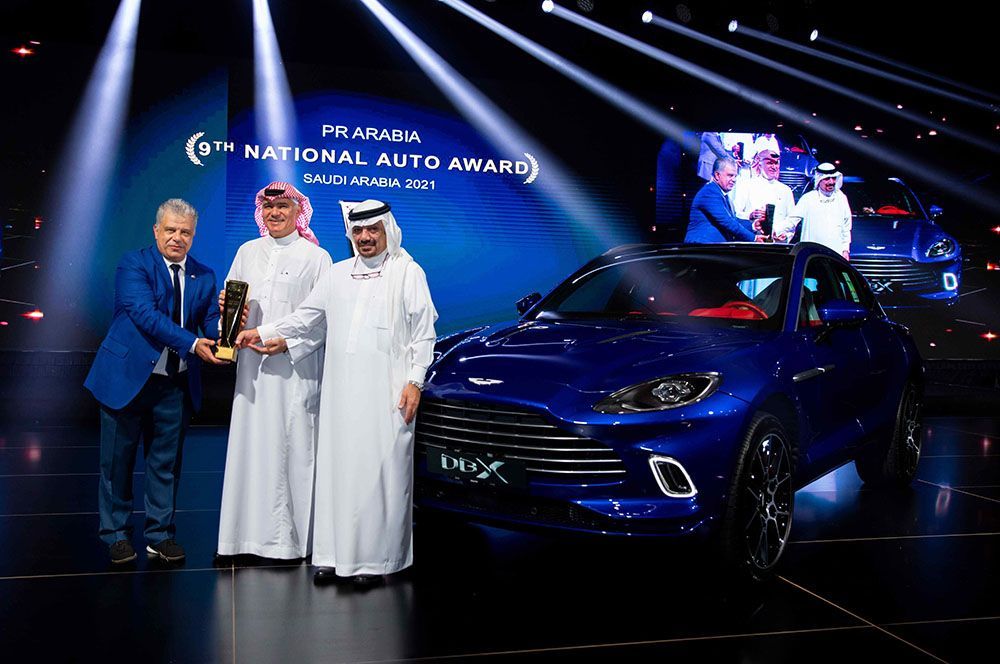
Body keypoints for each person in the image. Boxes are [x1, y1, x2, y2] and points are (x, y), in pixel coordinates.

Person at [236, 199, 437, 587]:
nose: (365, 237)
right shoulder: (339, 274)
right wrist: (260, 332)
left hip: (388, 394)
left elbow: (423, 333)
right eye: (358, 231)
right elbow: (306, 318)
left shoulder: (408, 272)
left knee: (378, 474)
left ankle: (376, 561)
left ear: (387, 231)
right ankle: (333, 556)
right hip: (341, 393)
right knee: (338, 470)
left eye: (373, 229)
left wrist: (415, 381)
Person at [85, 198, 224, 564]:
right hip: (125, 379)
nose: (177, 238)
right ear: (156, 230)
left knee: (166, 463)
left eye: (185, 232)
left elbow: (210, 321)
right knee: (117, 463)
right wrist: (193, 343)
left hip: (175, 384)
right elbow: (145, 315)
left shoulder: (204, 275)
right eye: (171, 230)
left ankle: (160, 535)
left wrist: (229, 327)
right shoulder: (134, 264)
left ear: (194, 235)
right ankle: (116, 534)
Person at [215, 182, 332, 561]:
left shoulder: (317, 258)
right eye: (268, 207)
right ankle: (241, 541)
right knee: (249, 450)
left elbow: (324, 319)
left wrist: (289, 343)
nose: (275, 213)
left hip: (294, 372)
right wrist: (227, 318)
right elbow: (232, 308)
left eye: (283, 206)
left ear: (299, 211)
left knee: (292, 451)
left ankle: (291, 544)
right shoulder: (247, 252)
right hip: (251, 372)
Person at [779, 163, 853, 260]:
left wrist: (845, 249)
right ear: (819, 180)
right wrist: (779, 231)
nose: (831, 182)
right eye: (827, 179)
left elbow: (846, 227)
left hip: (836, 254)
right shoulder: (808, 198)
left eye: (834, 178)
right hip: (812, 255)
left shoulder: (841, 198)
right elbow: (792, 220)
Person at [684, 157, 762, 243]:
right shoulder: (709, 192)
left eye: (735, 176)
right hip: (701, 246)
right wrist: (754, 238)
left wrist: (753, 225)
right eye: (730, 175)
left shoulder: (722, 195)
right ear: (717, 175)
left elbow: (733, 220)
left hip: (714, 247)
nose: (734, 180)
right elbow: (727, 222)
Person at [728, 145, 795, 241]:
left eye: (776, 163)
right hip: (753, 241)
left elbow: (791, 219)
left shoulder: (786, 190)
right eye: (769, 163)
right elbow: (735, 214)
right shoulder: (746, 185)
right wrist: (750, 215)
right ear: (760, 164)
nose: (774, 167)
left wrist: (785, 235)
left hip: (777, 243)